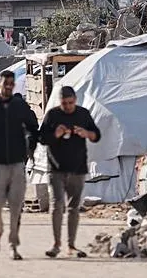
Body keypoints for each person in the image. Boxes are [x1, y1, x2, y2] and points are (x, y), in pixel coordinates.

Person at [0, 70, 39, 260]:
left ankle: (13, 244)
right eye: (6, 84)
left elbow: (33, 127)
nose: (9, 87)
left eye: (12, 84)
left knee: (16, 206)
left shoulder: (20, 106)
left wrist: (30, 145)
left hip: (17, 162)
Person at [39, 86, 101, 259]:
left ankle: (71, 245)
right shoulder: (52, 115)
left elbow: (96, 135)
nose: (67, 106)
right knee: (57, 205)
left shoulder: (83, 114)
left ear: (75, 100)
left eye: (70, 103)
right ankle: (56, 244)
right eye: (64, 103)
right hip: (56, 168)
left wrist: (86, 133)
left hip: (77, 168)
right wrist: (56, 134)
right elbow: (41, 138)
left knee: (73, 207)